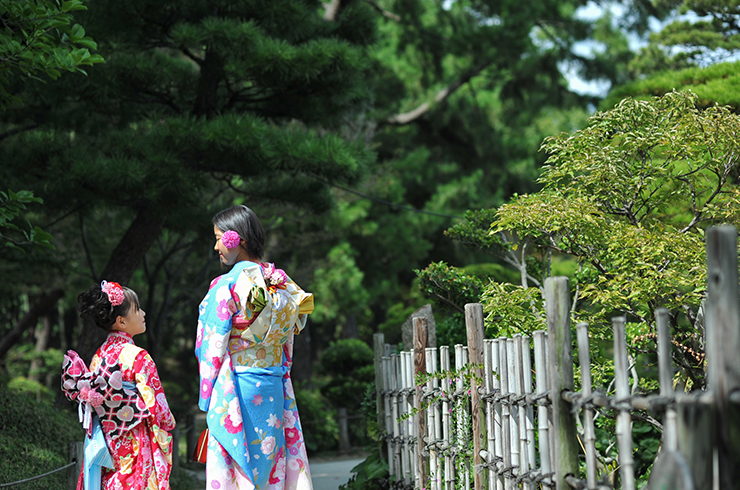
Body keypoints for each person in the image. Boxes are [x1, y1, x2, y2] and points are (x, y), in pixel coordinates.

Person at [195, 205, 314, 490]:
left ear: (239, 240)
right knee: (272, 462)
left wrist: (207, 394)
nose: (216, 246)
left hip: (237, 387)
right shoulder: (281, 283)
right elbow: (289, 336)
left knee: (238, 465)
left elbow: (211, 344)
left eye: (219, 238)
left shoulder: (226, 284)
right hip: (273, 385)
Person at [61, 281, 176, 490]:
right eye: (137, 309)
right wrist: (168, 424)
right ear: (122, 321)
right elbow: (157, 406)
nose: (143, 313)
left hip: (104, 438)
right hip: (134, 438)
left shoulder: (99, 355)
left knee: (107, 483)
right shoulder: (139, 357)